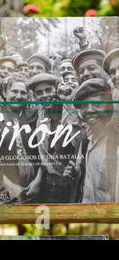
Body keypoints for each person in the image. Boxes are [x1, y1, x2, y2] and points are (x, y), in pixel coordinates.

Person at [28, 73, 80, 202]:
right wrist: (39, 179)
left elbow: (77, 141)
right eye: (39, 92)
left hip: (71, 181)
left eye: (48, 90)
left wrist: (70, 107)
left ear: (56, 90)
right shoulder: (40, 114)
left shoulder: (69, 110)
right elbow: (43, 153)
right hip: (50, 182)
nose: (44, 95)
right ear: (34, 96)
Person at [0, 73, 42, 203]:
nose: (19, 96)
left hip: (34, 184)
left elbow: (42, 151)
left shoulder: (34, 116)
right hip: (5, 184)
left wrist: (38, 180)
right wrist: (8, 185)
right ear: (4, 93)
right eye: (14, 91)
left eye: (23, 93)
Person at [71, 78, 118, 202]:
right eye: (85, 106)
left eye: (97, 104)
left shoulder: (116, 143)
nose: (90, 110)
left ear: (110, 106)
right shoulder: (87, 142)